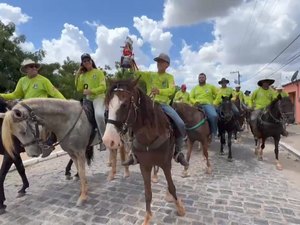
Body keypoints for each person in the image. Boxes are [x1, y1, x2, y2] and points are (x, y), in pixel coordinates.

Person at [123, 53, 189, 167]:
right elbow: (136, 72)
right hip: (148, 105)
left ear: (167, 65)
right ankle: (133, 154)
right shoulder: (150, 75)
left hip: (163, 105)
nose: (159, 63)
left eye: (162, 62)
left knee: (180, 123)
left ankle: (178, 152)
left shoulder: (169, 77)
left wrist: (160, 91)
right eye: (158, 61)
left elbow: (171, 90)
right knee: (133, 120)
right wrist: (131, 61)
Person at [0, 58, 65, 157]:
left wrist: (65, 102)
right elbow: (15, 94)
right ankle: (21, 144)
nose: (34, 68)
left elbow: (55, 93)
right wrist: (2, 95)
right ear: (26, 69)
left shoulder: (44, 80)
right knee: (17, 123)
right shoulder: (22, 81)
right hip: (27, 109)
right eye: (31, 66)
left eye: (35, 66)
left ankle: (48, 144)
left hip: (42, 108)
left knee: (46, 123)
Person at [75, 53, 107, 150]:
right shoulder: (83, 76)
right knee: (79, 117)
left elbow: (103, 87)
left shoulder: (98, 72)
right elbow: (79, 88)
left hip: (99, 97)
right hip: (87, 99)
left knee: (99, 115)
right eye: (84, 61)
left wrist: (92, 91)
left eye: (88, 60)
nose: (87, 62)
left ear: (91, 61)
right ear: (82, 63)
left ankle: (103, 140)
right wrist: (77, 75)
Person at [189, 73, 218, 138]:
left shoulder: (211, 86)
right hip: (197, 105)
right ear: (198, 79)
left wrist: (214, 102)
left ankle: (214, 132)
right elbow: (191, 97)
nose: (201, 79)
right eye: (200, 78)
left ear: (205, 78)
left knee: (214, 116)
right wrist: (195, 102)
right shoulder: (195, 88)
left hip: (207, 105)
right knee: (186, 116)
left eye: (202, 77)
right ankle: (187, 134)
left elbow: (218, 95)